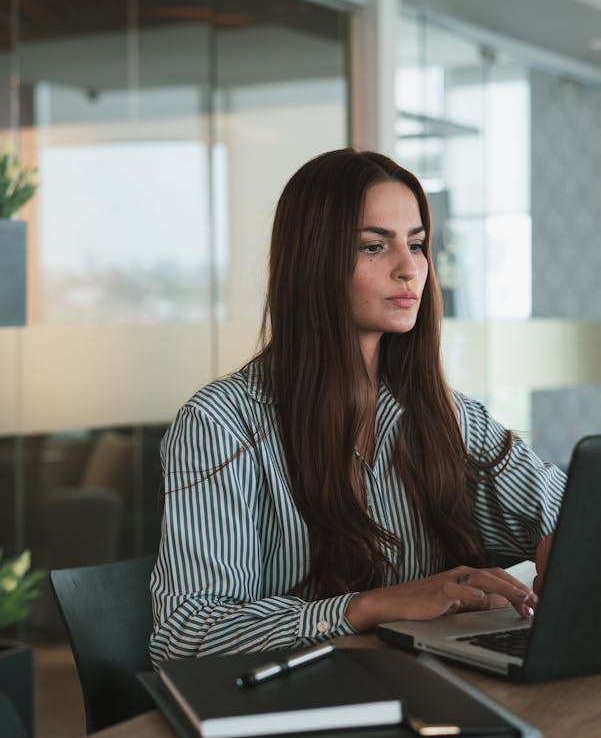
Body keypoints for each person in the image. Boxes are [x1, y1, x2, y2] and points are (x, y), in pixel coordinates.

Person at [150, 148, 566, 665]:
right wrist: (366, 608)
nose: (409, 269)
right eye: (374, 247)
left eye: (417, 245)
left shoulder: (447, 416)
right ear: (314, 261)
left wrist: (566, 538)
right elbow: (187, 637)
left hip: (426, 687)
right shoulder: (222, 423)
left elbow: (568, 509)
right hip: (299, 709)